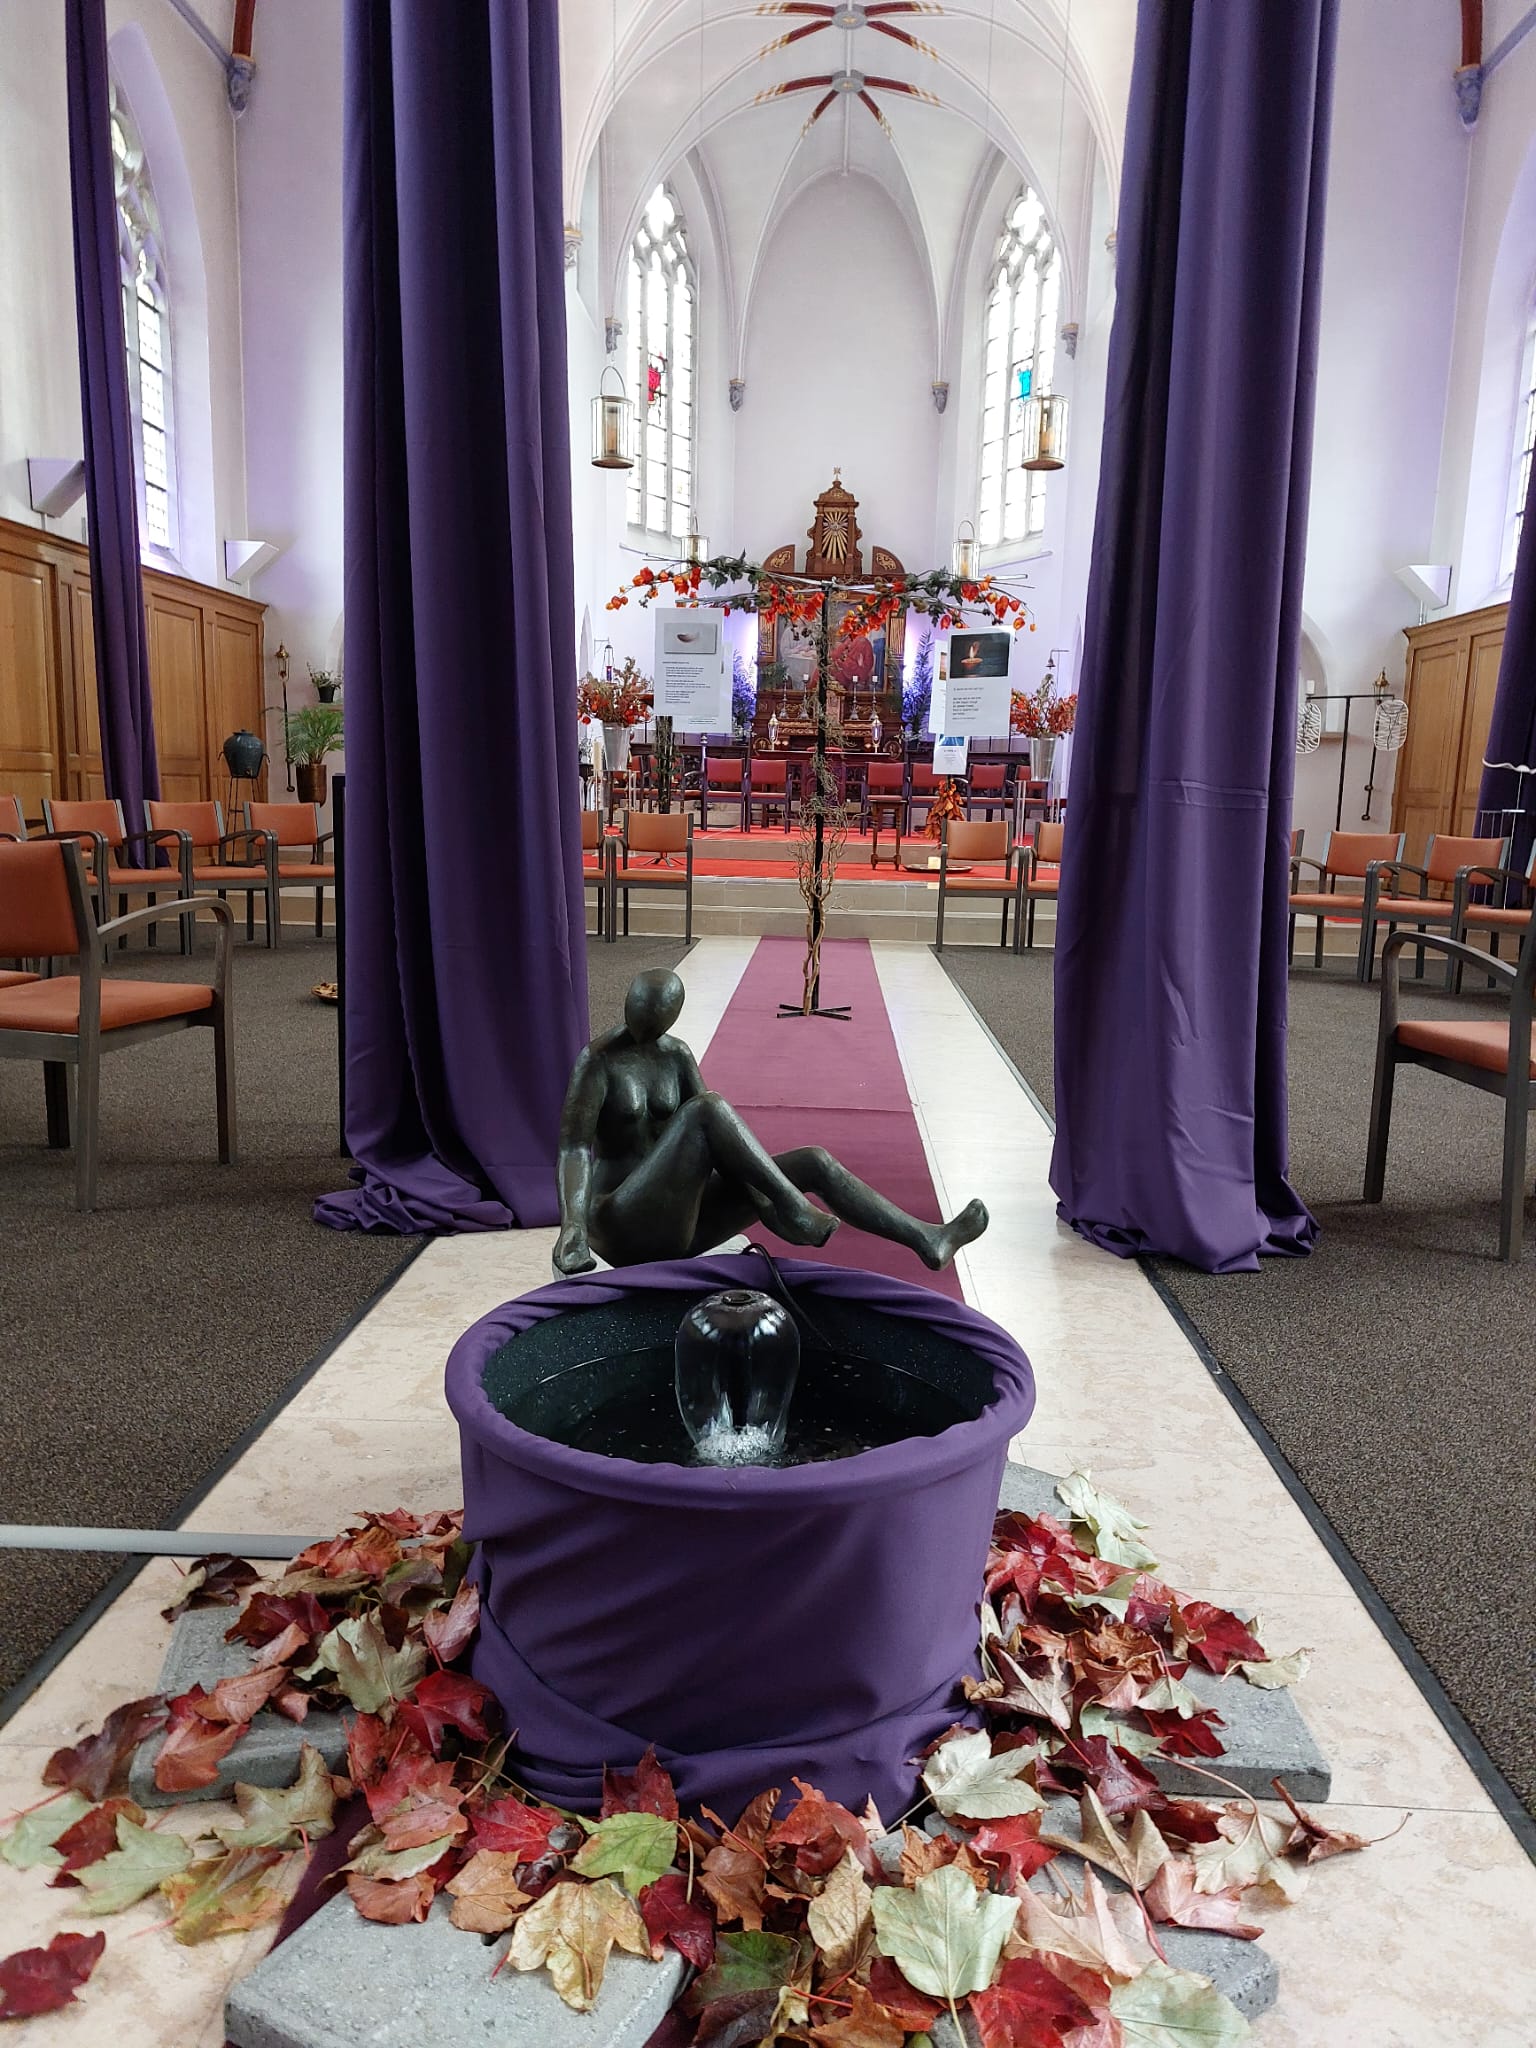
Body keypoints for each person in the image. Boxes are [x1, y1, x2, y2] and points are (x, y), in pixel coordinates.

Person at [553, 968, 988, 1275]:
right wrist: (573, 1228)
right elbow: (573, 1149)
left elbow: (722, 1148)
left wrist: (759, 1201)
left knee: (814, 1161)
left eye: (654, 1020)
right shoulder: (598, 1061)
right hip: (620, 1224)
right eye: (637, 1016)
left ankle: (927, 1239)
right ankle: (791, 1206)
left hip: (677, 1222)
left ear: (672, 1016)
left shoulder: (677, 1055)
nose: (643, 1029)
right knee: (706, 1109)